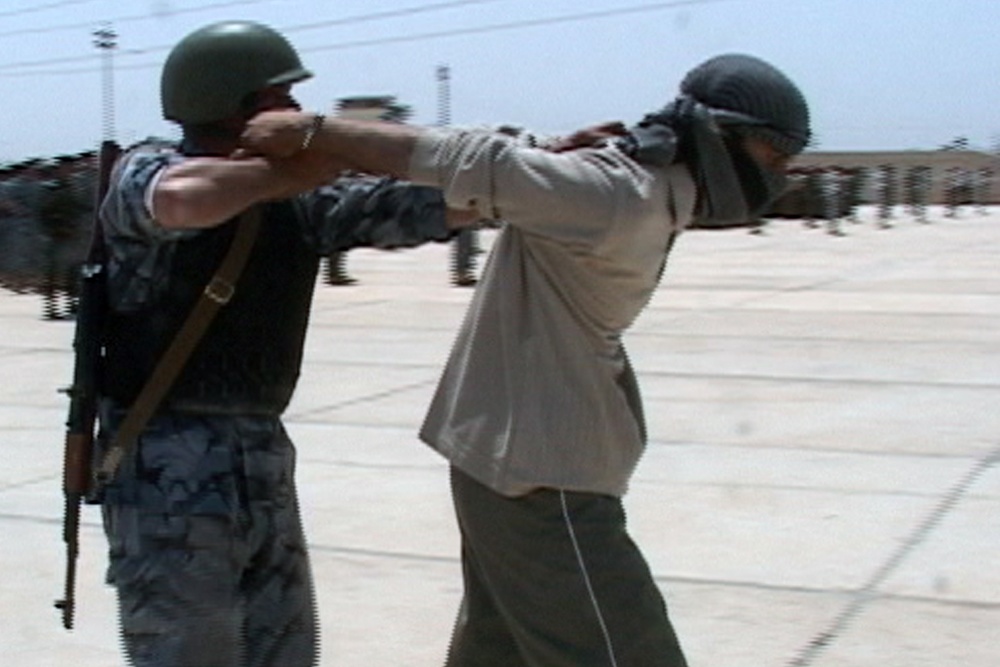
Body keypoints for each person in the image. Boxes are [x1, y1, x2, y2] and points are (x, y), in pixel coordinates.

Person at [242, 52, 811, 667]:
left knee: (498, 649)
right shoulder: (621, 195)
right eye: (771, 157)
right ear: (717, 137)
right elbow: (474, 162)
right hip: (543, 476)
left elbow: (518, 171)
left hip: (518, 463)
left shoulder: (638, 190)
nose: (777, 177)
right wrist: (316, 132)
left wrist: (552, 147)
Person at [95, 20, 466, 667]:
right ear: (228, 102)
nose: (297, 113)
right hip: (166, 466)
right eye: (280, 98)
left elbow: (420, 205)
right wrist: (296, 172)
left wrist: (524, 173)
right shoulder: (147, 170)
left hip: (261, 457)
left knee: (286, 652)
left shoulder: (297, 199)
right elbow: (183, 201)